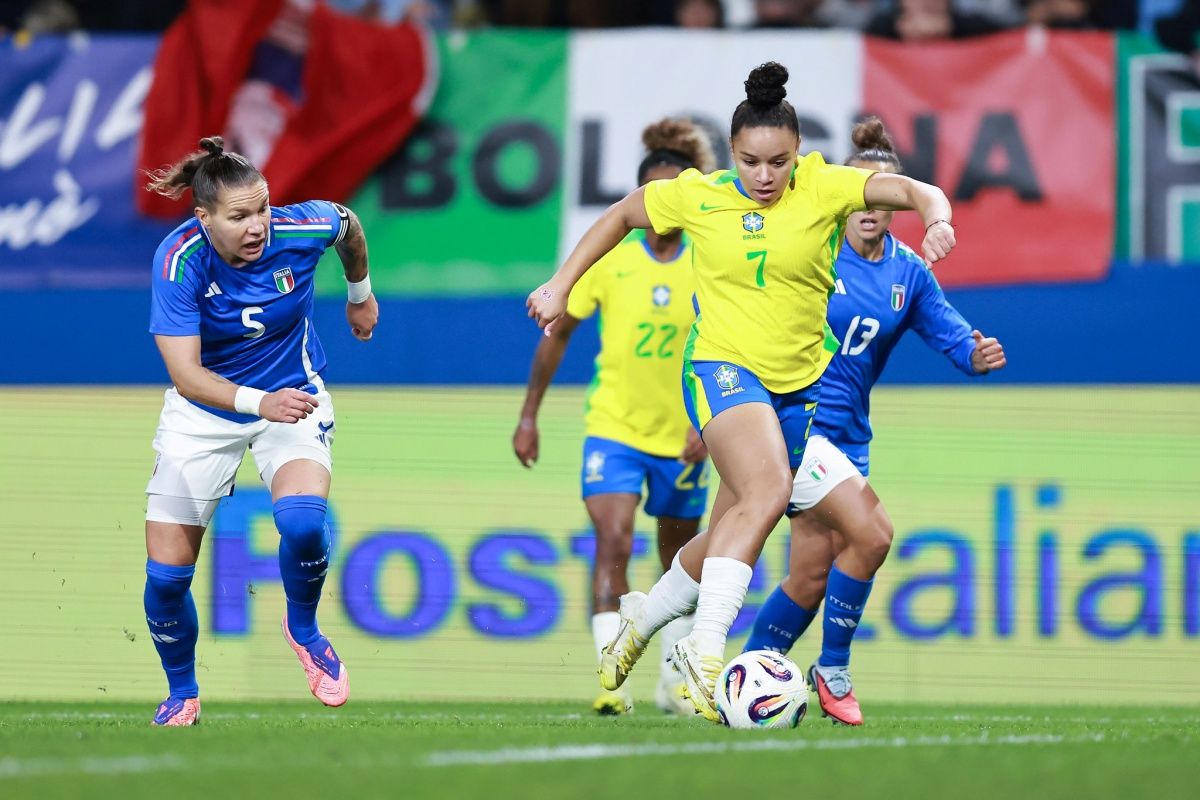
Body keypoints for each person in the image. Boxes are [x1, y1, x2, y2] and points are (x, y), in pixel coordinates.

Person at [527, 62, 958, 722]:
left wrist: (937, 217)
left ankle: (640, 620)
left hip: (797, 391)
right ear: (734, 154)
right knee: (767, 493)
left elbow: (914, 189)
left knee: (736, 525)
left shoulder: (823, 187)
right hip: (721, 372)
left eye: (779, 162)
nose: (765, 176)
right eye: (752, 161)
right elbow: (621, 215)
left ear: (797, 154)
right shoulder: (699, 195)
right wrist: (561, 283)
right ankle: (703, 656)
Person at [742, 119, 1008, 726]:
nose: (871, 206)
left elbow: (950, 334)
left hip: (851, 438)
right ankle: (831, 670)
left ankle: (749, 674)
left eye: (885, 195)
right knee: (873, 535)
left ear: (894, 204)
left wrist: (975, 354)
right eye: (861, 192)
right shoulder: (809, 244)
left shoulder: (907, 272)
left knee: (809, 576)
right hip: (797, 424)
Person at [141, 136, 378, 726]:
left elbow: (349, 227)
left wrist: (359, 294)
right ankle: (183, 692)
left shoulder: (304, 227)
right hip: (205, 415)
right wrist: (257, 402)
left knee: (302, 522)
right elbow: (186, 374)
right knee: (167, 580)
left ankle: (303, 627)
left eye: (263, 208)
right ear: (204, 219)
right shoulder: (179, 260)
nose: (258, 226)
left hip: (292, 397)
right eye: (239, 216)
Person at [514, 119, 715, 716]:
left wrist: (710, 420)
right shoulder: (611, 259)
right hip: (615, 429)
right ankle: (612, 681)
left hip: (685, 436)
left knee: (680, 559)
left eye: (670, 196)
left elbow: (729, 342)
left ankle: (671, 681)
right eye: (650, 198)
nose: (660, 211)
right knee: (613, 541)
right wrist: (529, 415)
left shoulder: (708, 260)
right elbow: (558, 335)